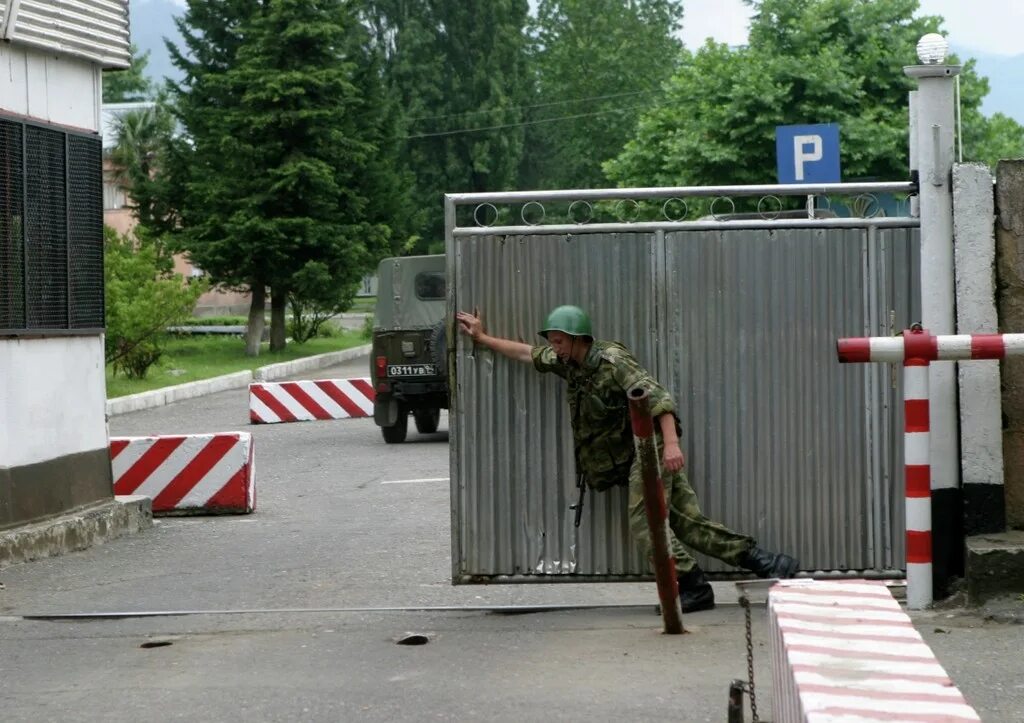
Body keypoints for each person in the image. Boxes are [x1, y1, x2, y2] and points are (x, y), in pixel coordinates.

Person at [455, 304, 799, 612]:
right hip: (637, 453)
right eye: (553, 341)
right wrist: (483, 338)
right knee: (684, 522)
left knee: (645, 522)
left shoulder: (612, 361)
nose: (554, 348)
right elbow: (527, 353)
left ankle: (693, 586)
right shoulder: (571, 365)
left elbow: (657, 397)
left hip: (653, 449)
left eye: (559, 341)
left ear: (578, 339)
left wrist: (672, 445)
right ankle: (769, 562)